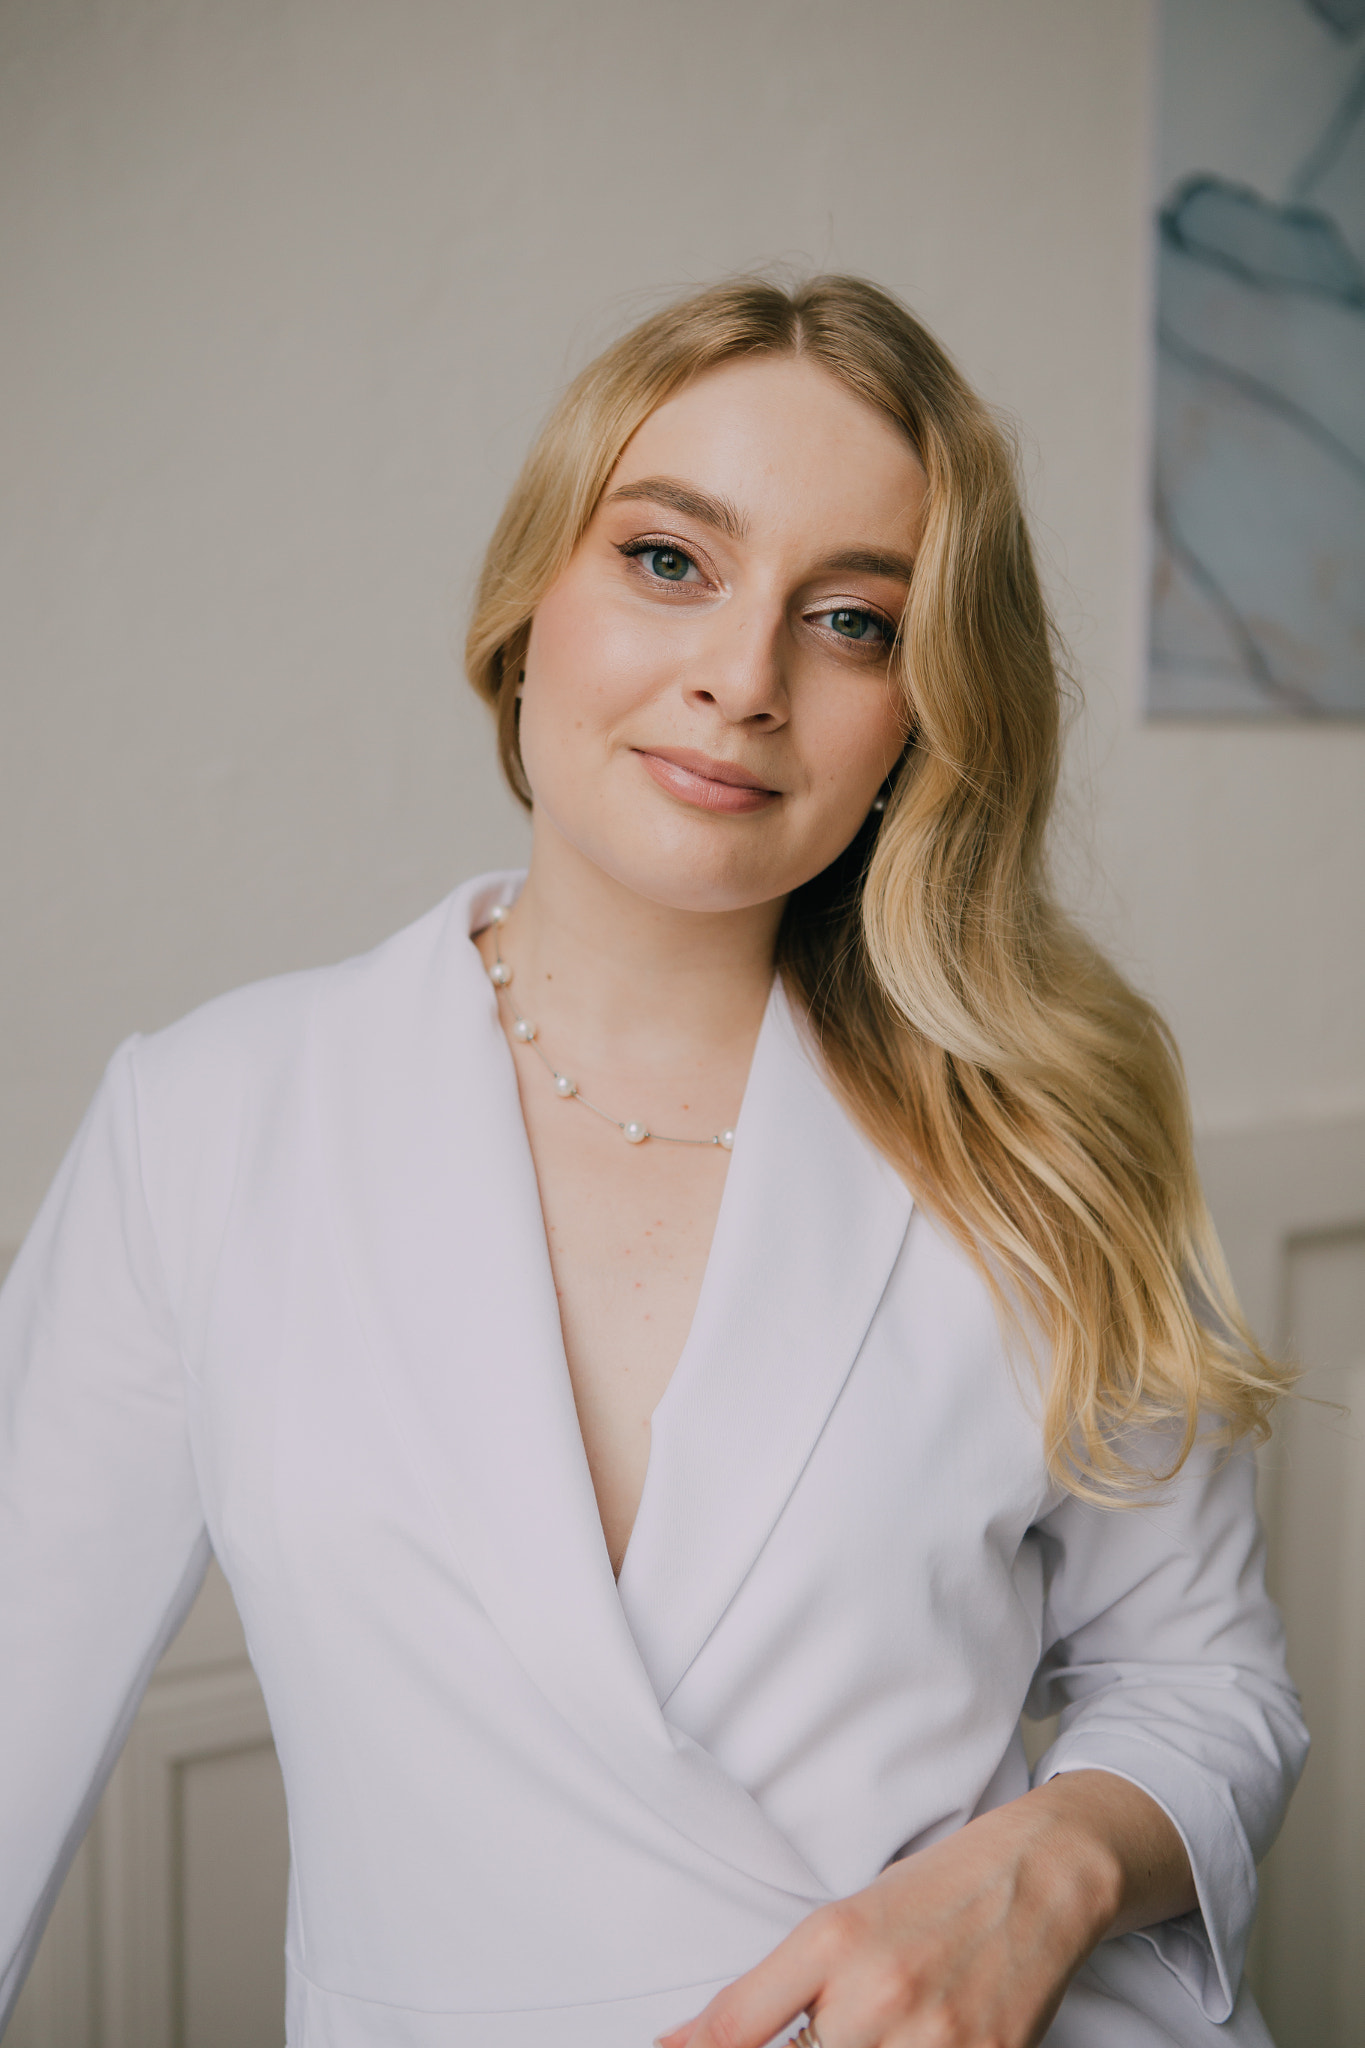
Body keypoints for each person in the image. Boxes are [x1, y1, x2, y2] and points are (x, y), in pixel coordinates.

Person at [0, 275, 1306, 2048]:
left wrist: (1042, 1867)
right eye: (669, 561)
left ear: (922, 716)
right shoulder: (209, 1118)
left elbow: (1202, 1680)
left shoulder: (1044, 1137)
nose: (740, 679)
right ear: (531, 596)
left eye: (851, 621)